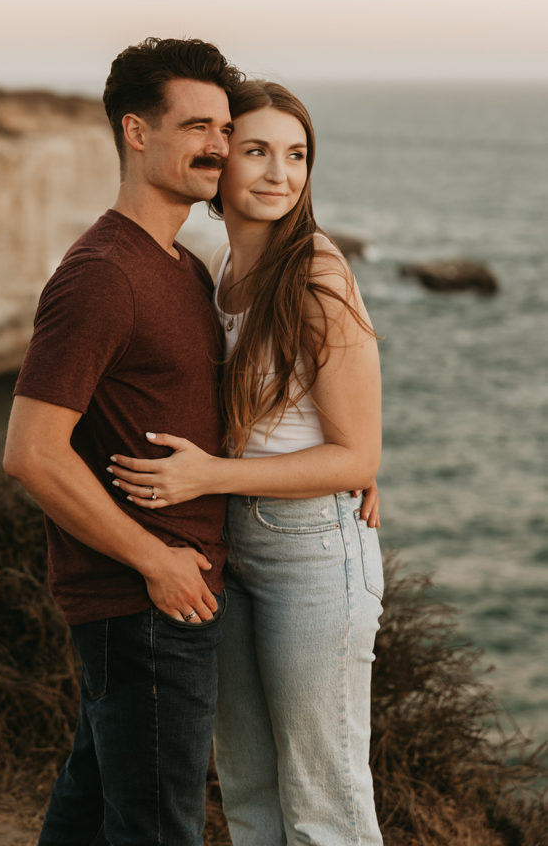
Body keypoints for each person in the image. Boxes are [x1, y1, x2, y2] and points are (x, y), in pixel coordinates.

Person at [107, 81, 384, 845]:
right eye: (256, 151)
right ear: (220, 161)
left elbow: (356, 452)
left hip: (312, 550)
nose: (279, 174)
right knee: (250, 787)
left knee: (325, 796)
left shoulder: (317, 274)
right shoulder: (218, 268)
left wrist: (209, 476)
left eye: (296, 156)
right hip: (234, 544)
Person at [3, 37, 244, 846]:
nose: (218, 144)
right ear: (137, 133)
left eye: (223, 126)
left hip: (164, 595)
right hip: (143, 601)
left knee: (93, 806)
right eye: (196, 126)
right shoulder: (102, 271)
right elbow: (31, 451)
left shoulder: (183, 267)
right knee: (157, 827)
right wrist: (156, 560)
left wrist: (339, 466)